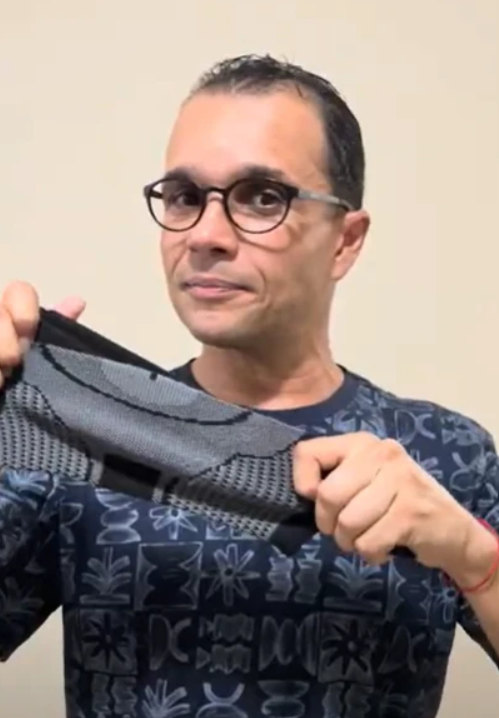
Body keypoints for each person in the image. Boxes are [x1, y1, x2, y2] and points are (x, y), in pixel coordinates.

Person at [0, 53, 498, 718]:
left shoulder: (448, 455)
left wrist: (473, 557)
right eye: (184, 197)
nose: (206, 235)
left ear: (344, 241)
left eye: (263, 197)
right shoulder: (72, 439)